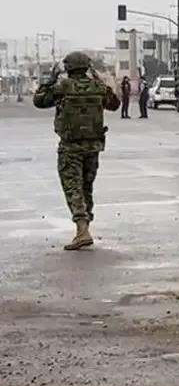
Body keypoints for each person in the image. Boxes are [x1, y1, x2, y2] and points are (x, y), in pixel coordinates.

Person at [33, 52, 121, 250]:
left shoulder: (62, 87)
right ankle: (84, 227)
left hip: (70, 147)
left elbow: (39, 101)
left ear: (68, 68)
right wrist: (98, 79)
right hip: (93, 147)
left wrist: (50, 79)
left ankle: (82, 230)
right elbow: (115, 104)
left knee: (73, 188)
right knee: (86, 187)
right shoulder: (97, 87)